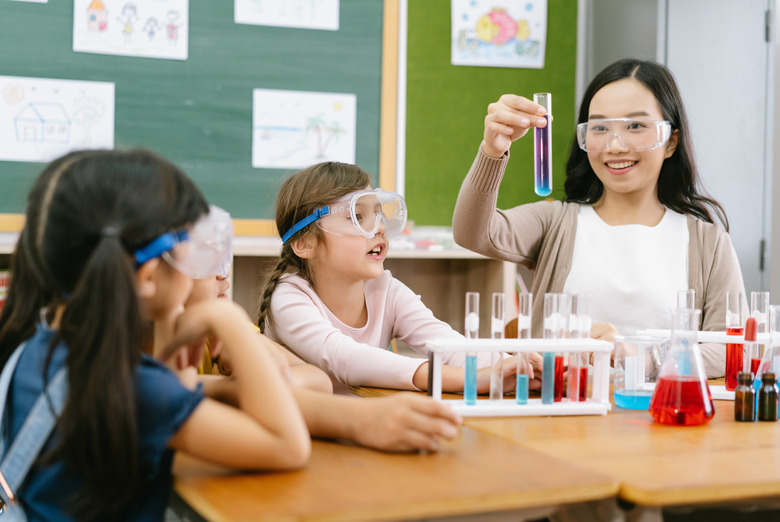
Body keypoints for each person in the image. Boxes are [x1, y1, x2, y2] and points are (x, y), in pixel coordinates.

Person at [0, 149, 310, 520]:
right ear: (148, 277)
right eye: (190, 248)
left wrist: (170, 325)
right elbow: (287, 446)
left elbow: (176, 397)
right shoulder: (131, 387)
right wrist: (227, 318)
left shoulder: (36, 350)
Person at [452, 58, 745, 378]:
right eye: (600, 127)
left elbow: (732, 348)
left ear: (671, 142)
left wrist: (645, 360)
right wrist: (492, 151)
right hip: (561, 417)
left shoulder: (708, 242)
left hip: (662, 420)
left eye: (635, 126)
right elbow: (472, 232)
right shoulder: (556, 222)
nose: (615, 145)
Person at [157, 205, 463, 453]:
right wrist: (238, 368)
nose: (224, 275)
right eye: (205, 258)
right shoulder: (143, 381)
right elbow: (288, 447)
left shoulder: (214, 336)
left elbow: (316, 381)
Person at [258, 161, 529, 393]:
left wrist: (519, 369)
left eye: (378, 213)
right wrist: (472, 379)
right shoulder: (289, 298)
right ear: (304, 243)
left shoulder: (385, 291)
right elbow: (348, 359)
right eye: (356, 217)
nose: (379, 229)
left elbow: (449, 345)